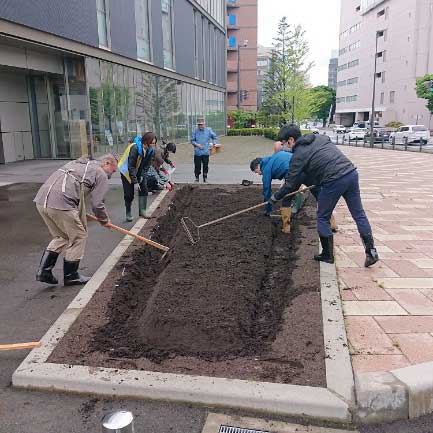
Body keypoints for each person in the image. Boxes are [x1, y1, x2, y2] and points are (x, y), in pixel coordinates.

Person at [269, 124, 379, 267]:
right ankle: (371, 252)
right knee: (359, 214)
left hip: (334, 180)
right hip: (351, 173)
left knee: (322, 216)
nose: (285, 147)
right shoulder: (320, 137)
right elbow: (323, 160)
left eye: (284, 143)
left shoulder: (298, 155)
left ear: (291, 140)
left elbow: (290, 184)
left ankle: (327, 254)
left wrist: (275, 197)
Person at [34, 154, 118, 286]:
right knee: (79, 236)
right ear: (107, 163)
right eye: (113, 170)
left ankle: (44, 271)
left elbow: (78, 194)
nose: (111, 175)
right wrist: (104, 220)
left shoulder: (78, 165)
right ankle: (71, 275)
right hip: (61, 203)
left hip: (41, 201)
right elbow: (97, 203)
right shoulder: (100, 173)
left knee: (61, 236)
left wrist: (79, 214)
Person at [250, 151, 293, 233]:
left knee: (286, 198)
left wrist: (268, 209)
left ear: (259, 166)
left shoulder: (265, 169)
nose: (258, 174)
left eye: (256, 171)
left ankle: (286, 228)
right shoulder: (272, 159)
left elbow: (267, 191)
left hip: (292, 171)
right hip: (299, 165)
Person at [118, 132, 156, 222]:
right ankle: (128, 212)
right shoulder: (135, 148)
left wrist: (143, 176)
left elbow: (147, 165)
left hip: (138, 170)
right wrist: (135, 182)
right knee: (129, 194)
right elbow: (131, 166)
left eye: (154, 143)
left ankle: (142, 211)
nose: (153, 145)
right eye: (152, 143)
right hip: (126, 171)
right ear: (146, 141)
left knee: (144, 189)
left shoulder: (150, 150)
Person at [191, 118, 217, 182]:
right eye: (199, 125)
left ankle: (205, 178)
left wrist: (214, 143)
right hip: (197, 152)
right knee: (197, 166)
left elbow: (214, 137)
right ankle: (197, 178)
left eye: (201, 124)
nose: (200, 126)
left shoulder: (209, 130)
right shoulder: (195, 131)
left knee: (205, 165)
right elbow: (192, 140)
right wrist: (197, 145)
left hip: (206, 152)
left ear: (204, 124)